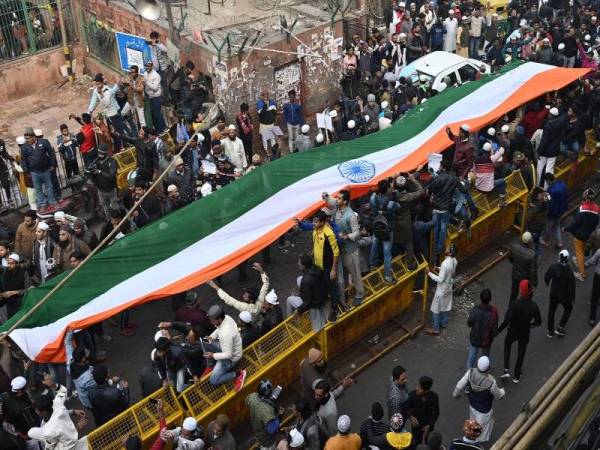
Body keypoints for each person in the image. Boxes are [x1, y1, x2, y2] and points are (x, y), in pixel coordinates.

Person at [324, 190, 364, 306]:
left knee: (355, 273)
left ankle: (360, 294)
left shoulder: (351, 216)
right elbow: (332, 201)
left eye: (339, 198)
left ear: (345, 202)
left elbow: (357, 233)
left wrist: (346, 236)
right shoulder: (337, 207)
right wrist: (327, 197)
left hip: (350, 250)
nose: (337, 200)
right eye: (337, 198)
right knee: (344, 275)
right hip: (340, 249)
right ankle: (345, 294)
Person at [498, 279, 542, 383]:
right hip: (525, 332)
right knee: (521, 352)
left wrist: (498, 331)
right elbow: (538, 322)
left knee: (507, 344)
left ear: (520, 291)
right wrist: (531, 325)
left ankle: (506, 369)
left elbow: (507, 319)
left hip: (513, 330)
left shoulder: (514, 304)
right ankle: (517, 375)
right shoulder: (533, 306)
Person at [453, 356, 505, 443]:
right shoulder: (491, 382)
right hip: (484, 410)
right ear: (488, 367)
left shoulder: (470, 372)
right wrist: (502, 392)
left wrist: (455, 395)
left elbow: (459, 385)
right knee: (481, 429)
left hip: (472, 405)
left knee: (473, 423)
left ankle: (471, 439)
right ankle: (476, 443)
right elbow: (499, 395)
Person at [203, 305, 246, 389]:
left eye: (213, 321)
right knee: (204, 341)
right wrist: (212, 337)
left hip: (231, 359)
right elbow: (219, 328)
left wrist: (213, 356)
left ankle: (238, 374)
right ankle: (210, 365)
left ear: (219, 319)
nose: (212, 322)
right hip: (227, 347)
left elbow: (228, 355)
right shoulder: (226, 317)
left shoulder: (225, 333)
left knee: (213, 380)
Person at [311, 210, 343, 321]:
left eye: (316, 221)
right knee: (322, 286)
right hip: (317, 266)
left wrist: (333, 270)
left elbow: (336, 252)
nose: (314, 223)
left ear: (323, 222)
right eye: (314, 221)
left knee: (332, 288)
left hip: (328, 267)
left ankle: (335, 309)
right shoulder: (315, 230)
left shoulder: (329, 234)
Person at [564, 188, 600, 281]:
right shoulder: (597, 208)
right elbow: (596, 222)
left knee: (579, 253)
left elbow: (574, 224)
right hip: (589, 234)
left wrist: (566, 229)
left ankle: (582, 274)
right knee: (582, 249)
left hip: (579, 235)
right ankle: (577, 260)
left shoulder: (581, 210)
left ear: (585, 197)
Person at [21, 127, 58, 213]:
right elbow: (24, 161)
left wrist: (52, 164)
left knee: (49, 187)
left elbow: (51, 153)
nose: (27, 140)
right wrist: (27, 171)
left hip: (45, 170)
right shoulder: (24, 147)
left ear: (33, 137)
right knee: (38, 190)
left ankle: (52, 201)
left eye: (28, 138)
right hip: (34, 173)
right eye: (25, 139)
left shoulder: (44, 142)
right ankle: (42, 204)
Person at [427, 159, 459, 258]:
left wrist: (432, 197)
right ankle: (440, 248)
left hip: (436, 207)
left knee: (436, 226)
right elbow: (464, 190)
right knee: (444, 227)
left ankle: (435, 246)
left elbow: (429, 190)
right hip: (446, 208)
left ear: (443, 167)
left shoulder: (438, 178)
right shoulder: (454, 179)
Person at [426, 244, 458, 336]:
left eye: (447, 248)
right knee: (445, 306)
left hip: (441, 290)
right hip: (449, 288)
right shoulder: (455, 261)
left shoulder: (444, 263)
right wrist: (439, 268)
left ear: (450, 252)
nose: (446, 248)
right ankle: (443, 323)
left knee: (435, 309)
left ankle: (436, 329)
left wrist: (429, 273)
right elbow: (451, 271)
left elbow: (440, 279)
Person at [544, 249, 576, 338]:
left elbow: (547, 276)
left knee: (551, 311)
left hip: (554, 293)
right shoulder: (569, 271)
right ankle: (560, 327)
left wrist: (547, 282)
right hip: (564, 296)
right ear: (568, 259)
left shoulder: (553, 267)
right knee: (568, 308)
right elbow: (572, 287)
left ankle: (550, 331)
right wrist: (572, 298)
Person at [293, 254, 328, 332]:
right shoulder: (317, 268)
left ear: (304, 266)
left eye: (299, 262)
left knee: (289, 300)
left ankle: (294, 321)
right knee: (299, 279)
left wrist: (298, 310)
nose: (298, 263)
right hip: (323, 295)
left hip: (315, 304)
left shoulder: (306, 281)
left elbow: (308, 301)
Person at [245, 379, 284, 449]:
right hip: (268, 441)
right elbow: (272, 429)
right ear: (269, 394)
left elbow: (246, 401)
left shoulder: (252, 396)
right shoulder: (267, 411)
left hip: (258, 431)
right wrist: (280, 416)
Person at [466, 289, 499, 369]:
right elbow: (494, 331)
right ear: (490, 299)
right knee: (484, 358)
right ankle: (483, 372)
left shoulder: (475, 310)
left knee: (471, 358)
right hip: (486, 340)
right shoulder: (493, 312)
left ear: (480, 298)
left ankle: (468, 376)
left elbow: (469, 323)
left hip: (474, 338)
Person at [403, 376, 440, 445]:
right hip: (416, 426)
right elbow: (406, 408)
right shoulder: (412, 395)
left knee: (429, 443)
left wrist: (429, 425)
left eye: (420, 388)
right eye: (417, 385)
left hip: (428, 426)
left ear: (427, 390)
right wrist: (410, 417)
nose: (417, 388)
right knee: (416, 442)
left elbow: (436, 413)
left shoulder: (434, 397)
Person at [507, 231, 537, 307]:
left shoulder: (514, 247)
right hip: (525, 278)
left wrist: (514, 263)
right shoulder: (532, 254)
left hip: (515, 275)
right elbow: (532, 271)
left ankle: (510, 308)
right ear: (530, 241)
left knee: (513, 294)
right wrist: (534, 282)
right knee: (526, 295)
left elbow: (510, 257)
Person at [90, 143, 118, 220]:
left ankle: (117, 220)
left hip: (111, 190)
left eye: (101, 154)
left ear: (106, 153)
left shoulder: (112, 162)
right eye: (99, 153)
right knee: (106, 209)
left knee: (114, 207)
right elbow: (92, 177)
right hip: (101, 190)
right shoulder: (96, 162)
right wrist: (91, 172)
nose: (99, 155)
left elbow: (111, 176)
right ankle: (110, 221)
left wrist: (100, 172)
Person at [540, 173, 568, 248]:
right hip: (561, 210)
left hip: (553, 212)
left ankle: (544, 239)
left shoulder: (551, 190)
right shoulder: (562, 184)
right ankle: (559, 242)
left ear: (548, 180)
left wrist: (544, 197)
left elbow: (548, 201)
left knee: (549, 226)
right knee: (557, 226)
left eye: (546, 181)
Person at [1, 253, 31, 319]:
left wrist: (15, 292)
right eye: (8, 263)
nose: (9, 265)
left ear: (17, 264)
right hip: (8, 302)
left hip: (20, 301)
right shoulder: (6, 272)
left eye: (12, 264)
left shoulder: (24, 273)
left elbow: (29, 290)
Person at [144, 61, 166, 133]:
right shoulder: (145, 74)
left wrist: (146, 82)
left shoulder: (156, 75)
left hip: (156, 97)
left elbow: (155, 88)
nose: (147, 67)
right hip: (149, 97)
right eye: (146, 66)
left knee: (157, 114)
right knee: (153, 114)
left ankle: (162, 129)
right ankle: (157, 129)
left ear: (152, 66)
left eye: (149, 66)